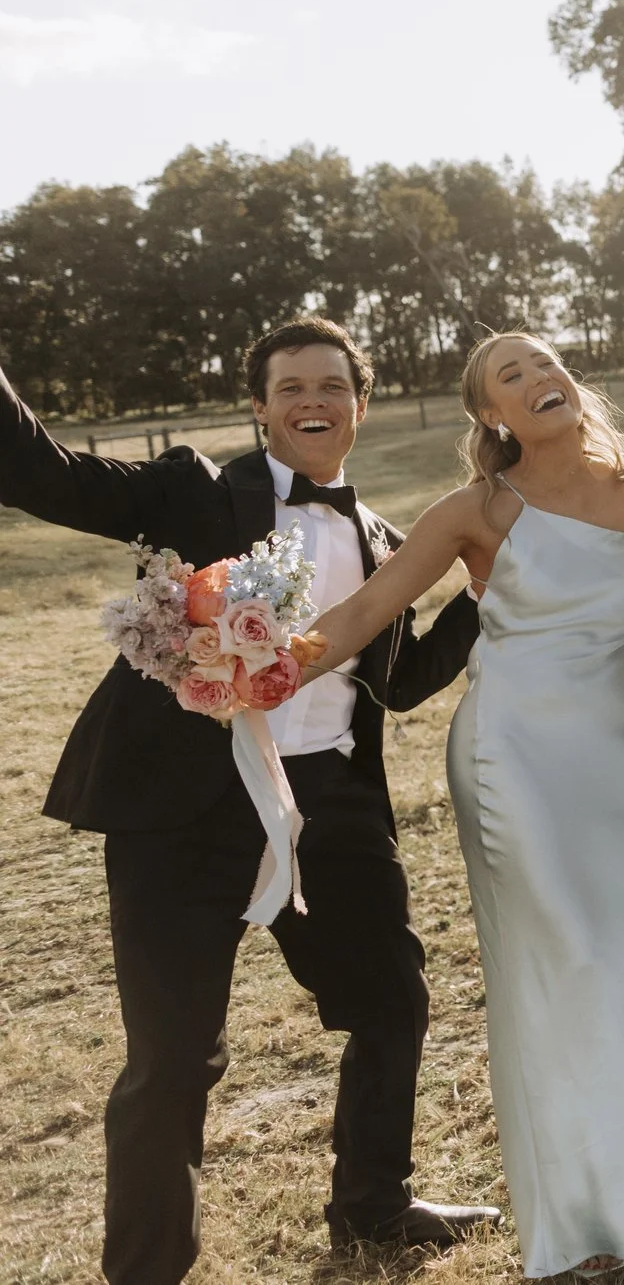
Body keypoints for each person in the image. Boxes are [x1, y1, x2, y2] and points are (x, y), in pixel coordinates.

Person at [0, 319, 493, 1283]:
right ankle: (147, 1270)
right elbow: (40, 473)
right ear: (259, 408)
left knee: (391, 1002)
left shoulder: (381, 535)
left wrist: (481, 592)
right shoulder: (190, 490)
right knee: (173, 1057)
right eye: (292, 386)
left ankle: (374, 1208)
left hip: (333, 809)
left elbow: (403, 678)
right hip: (182, 816)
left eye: (333, 385)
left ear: (361, 402)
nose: (314, 400)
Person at [301, 333, 624, 1278]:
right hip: (512, 757)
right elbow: (365, 615)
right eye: (510, 377)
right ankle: (589, 1221)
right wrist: (262, 664)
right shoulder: (476, 509)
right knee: (571, 966)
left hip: (618, 754)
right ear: (492, 415)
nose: (538, 380)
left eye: (545, 363)